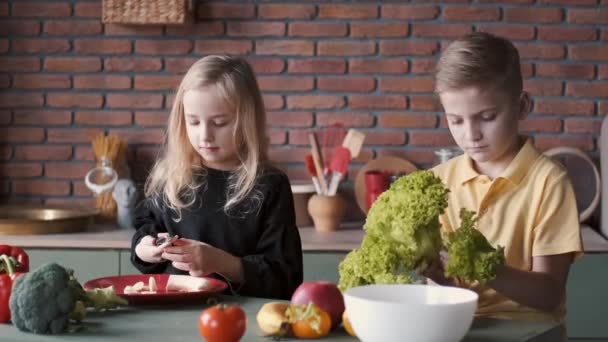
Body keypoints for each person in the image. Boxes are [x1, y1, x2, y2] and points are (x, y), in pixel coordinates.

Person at [429, 32, 583, 325]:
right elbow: (452, 294)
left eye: (487, 117)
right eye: (456, 120)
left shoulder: (549, 182)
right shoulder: (437, 182)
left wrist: (488, 267)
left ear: (522, 106)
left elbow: (549, 293)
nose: (471, 135)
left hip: (531, 332)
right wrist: (436, 277)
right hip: (463, 328)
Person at [130, 55, 303, 300]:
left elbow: (285, 278)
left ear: (247, 121)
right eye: (194, 122)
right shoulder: (172, 177)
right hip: (172, 315)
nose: (205, 135)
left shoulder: (269, 186)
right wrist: (144, 249)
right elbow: (144, 233)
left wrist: (223, 263)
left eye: (220, 123)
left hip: (240, 318)